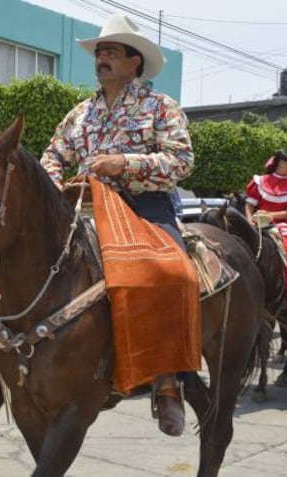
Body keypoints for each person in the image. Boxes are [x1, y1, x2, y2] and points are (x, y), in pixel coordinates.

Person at [40, 14, 198, 436]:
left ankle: (167, 383)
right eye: (100, 53)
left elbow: (180, 161)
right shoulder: (80, 113)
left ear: (134, 62)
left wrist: (122, 163)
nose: (102, 59)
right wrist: (55, 190)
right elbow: (53, 155)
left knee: (172, 272)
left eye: (111, 52)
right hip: (84, 206)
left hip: (143, 206)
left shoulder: (160, 107)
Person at [245, 150, 287, 307]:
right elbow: (249, 205)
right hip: (258, 224)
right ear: (282, 163)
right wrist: (250, 222)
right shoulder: (260, 181)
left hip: (283, 224)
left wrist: (269, 215)